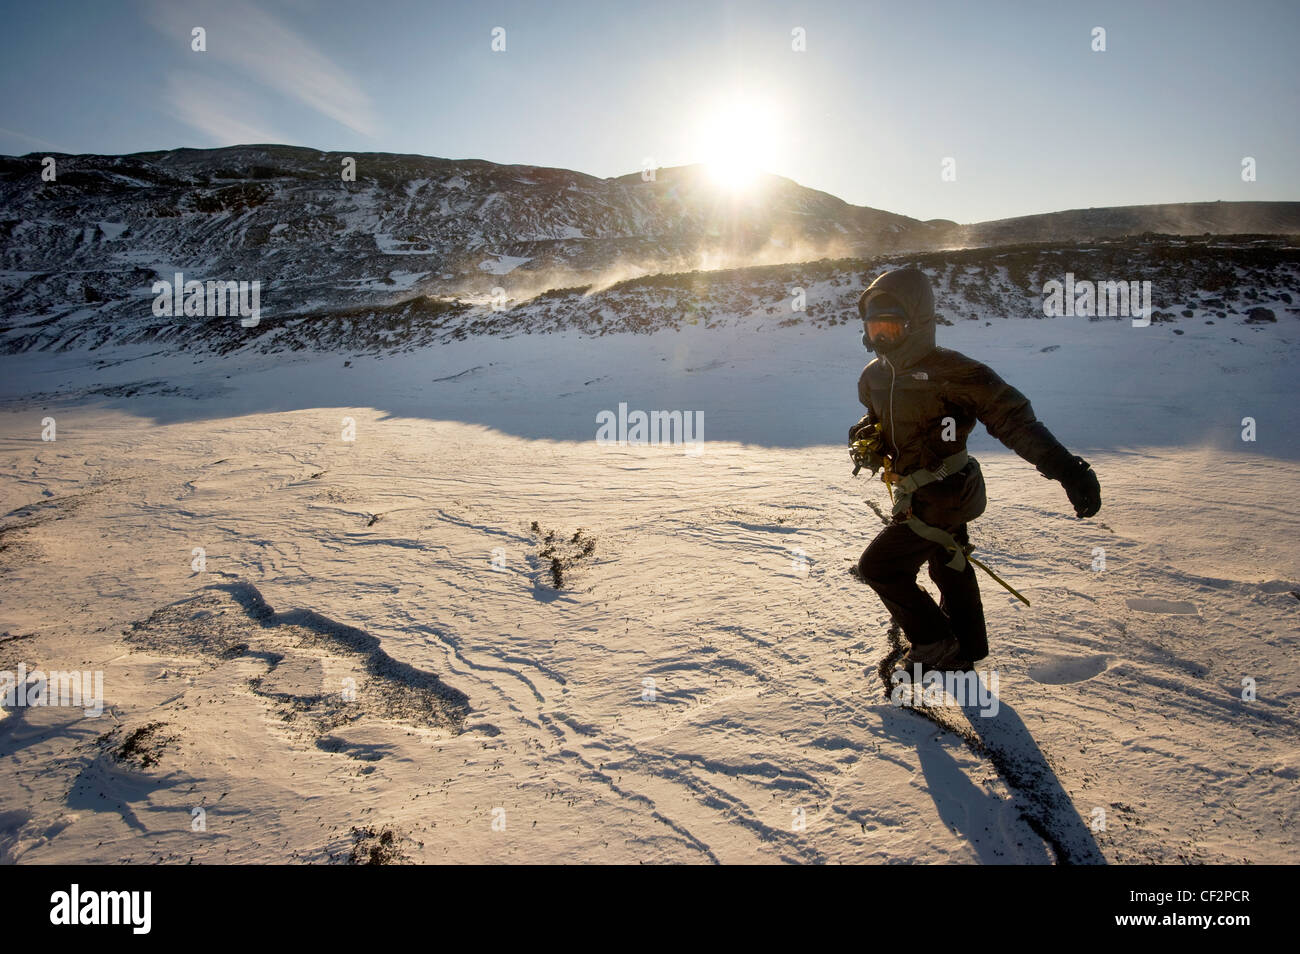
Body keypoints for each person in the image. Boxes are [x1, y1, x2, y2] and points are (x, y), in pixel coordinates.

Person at [849, 267, 1101, 671]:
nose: (881, 336)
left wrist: (1069, 471)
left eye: (891, 327)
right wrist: (867, 433)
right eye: (874, 327)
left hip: (945, 494)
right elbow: (876, 416)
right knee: (949, 561)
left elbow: (1014, 421)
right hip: (924, 491)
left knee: (879, 567)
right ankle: (967, 647)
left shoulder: (956, 372)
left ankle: (934, 644)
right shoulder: (873, 377)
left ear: (917, 325)